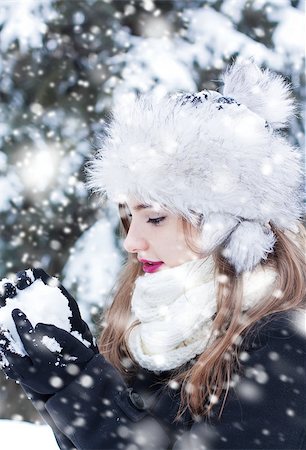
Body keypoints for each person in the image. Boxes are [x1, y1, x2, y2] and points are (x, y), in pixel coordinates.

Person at [0, 58, 305, 450]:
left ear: (224, 224)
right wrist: (57, 381)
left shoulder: (284, 343)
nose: (131, 242)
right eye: (129, 217)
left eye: (156, 218)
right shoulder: (153, 328)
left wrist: (83, 389)